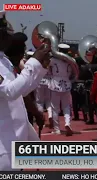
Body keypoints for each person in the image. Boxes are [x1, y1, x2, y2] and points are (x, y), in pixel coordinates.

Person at [0, 10, 50, 170]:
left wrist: (41, 68)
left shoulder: (4, 62)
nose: (10, 37)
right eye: (7, 34)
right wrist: (33, 62)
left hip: (14, 142)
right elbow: (10, 92)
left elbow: (21, 91)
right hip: (4, 149)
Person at [47, 44, 73, 135]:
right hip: (66, 83)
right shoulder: (71, 61)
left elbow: (47, 68)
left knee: (55, 108)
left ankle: (57, 129)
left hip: (55, 83)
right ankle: (67, 123)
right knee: (66, 107)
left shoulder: (52, 60)